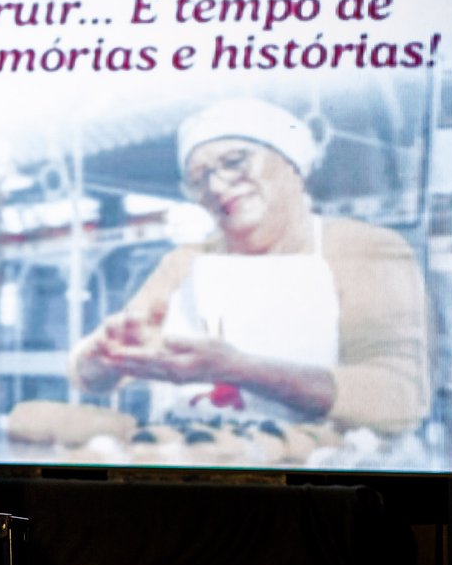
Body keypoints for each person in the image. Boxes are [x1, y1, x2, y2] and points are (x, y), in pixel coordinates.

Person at [70, 97, 429, 436]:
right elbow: (91, 375)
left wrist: (241, 370)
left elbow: (401, 397)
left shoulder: (362, 249)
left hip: (316, 479)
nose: (216, 185)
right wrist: (102, 359)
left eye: (234, 161)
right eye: (199, 178)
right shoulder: (183, 263)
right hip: (188, 463)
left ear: (291, 164)